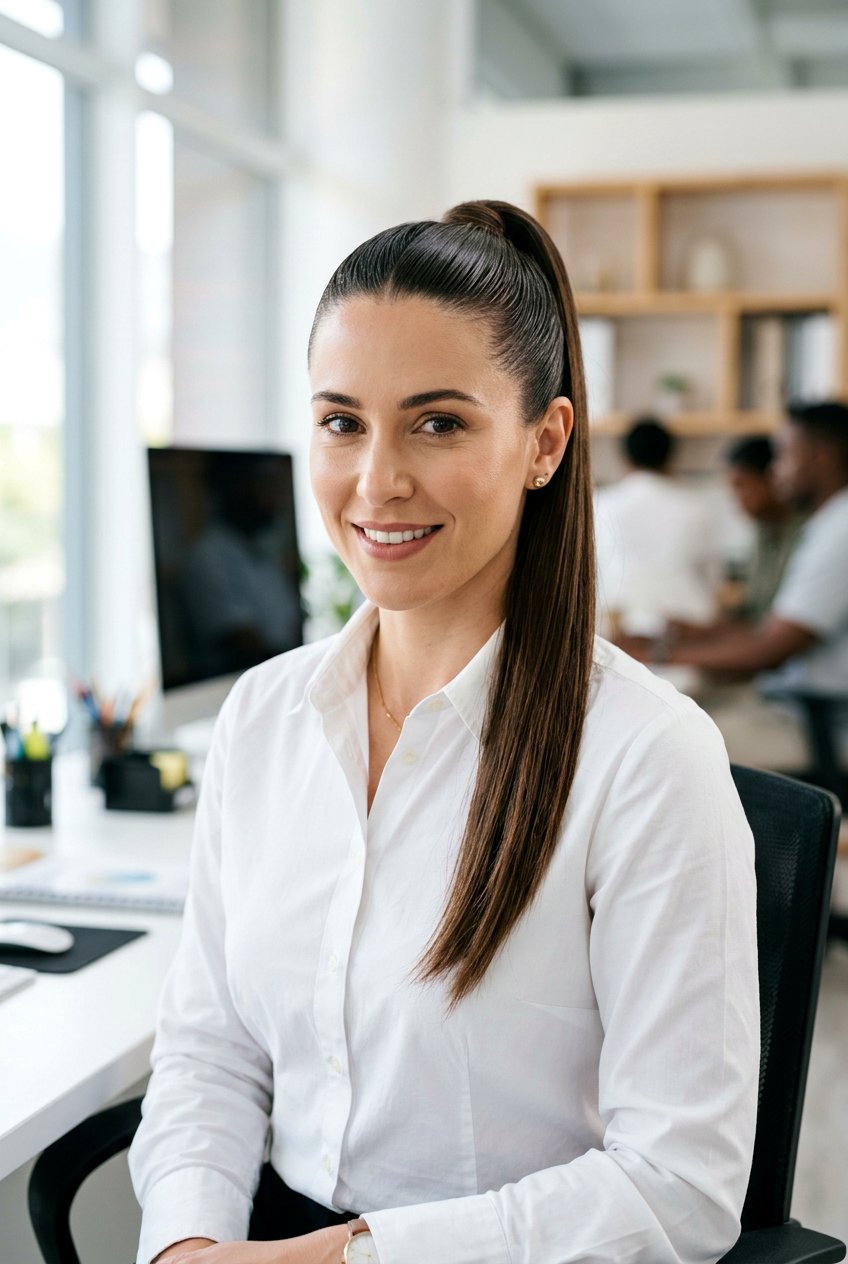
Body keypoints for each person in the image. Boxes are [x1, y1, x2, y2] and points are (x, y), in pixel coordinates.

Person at [129, 201, 759, 1264]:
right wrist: (184, 1243)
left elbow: (677, 1188)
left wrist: (331, 1260)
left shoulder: (646, 758)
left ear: (543, 443)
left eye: (438, 422)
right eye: (341, 421)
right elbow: (211, 1047)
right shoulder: (265, 716)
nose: (377, 480)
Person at [660, 401, 848, 770]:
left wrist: (662, 654)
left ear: (822, 458)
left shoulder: (840, 530)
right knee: (678, 717)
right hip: (800, 705)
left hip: (820, 723)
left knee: (670, 745)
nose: (777, 471)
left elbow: (769, 648)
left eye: (785, 456)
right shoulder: (828, 525)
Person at [669, 434, 805, 640]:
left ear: (772, 478)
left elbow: (777, 631)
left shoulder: (807, 531)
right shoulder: (764, 529)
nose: (736, 497)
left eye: (741, 485)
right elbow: (756, 614)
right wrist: (699, 631)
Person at [594, 417, 721, 635]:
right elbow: (713, 579)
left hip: (619, 633)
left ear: (625, 459)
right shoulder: (698, 507)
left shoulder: (600, 505)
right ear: (670, 458)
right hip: (686, 634)